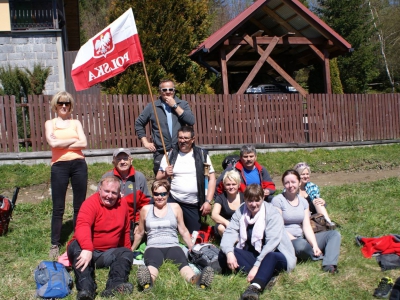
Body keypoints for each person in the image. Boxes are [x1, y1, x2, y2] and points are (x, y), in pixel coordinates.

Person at [132, 180, 214, 291]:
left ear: (168, 194)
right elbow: (140, 232)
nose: (160, 197)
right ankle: (147, 282)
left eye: (163, 194)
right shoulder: (146, 210)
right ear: (152, 194)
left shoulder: (175, 207)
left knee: (183, 264)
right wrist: (131, 249)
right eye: (156, 194)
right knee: (152, 264)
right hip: (153, 246)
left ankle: (196, 280)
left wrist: (191, 247)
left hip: (173, 245)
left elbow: (183, 230)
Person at [219, 184, 296, 300]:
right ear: (245, 199)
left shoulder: (272, 214)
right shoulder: (241, 211)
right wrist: (229, 253)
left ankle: (255, 287)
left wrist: (256, 266)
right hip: (255, 254)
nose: (253, 204)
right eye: (250, 201)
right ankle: (267, 275)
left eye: (257, 200)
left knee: (271, 256)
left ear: (263, 198)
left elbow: (272, 244)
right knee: (225, 251)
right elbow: (230, 232)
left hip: (277, 255)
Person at [67, 177, 134, 300]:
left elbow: (125, 230)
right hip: (86, 251)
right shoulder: (90, 203)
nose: (109, 196)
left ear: (119, 193)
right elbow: (82, 225)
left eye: (114, 193)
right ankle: (86, 290)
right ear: (99, 190)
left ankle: (115, 285)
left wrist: (127, 254)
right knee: (76, 246)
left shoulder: (123, 204)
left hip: (106, 254)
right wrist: (87, 248)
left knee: (126, 252)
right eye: (106, 191)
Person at [44, 91, 88, 260]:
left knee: (79, 205)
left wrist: (61, 144)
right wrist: (72, 141)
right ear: (55, 105)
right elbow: (52, 143)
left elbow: (83, 143)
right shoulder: (50, 123)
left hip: (79, 164)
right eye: (61, 103)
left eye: (67, 103)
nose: (64, 106)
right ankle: (55, 243)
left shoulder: (76, 122)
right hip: (59, 166)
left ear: (71, 106)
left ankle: (78, 238)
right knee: (58, 206)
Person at [271, 170, 341, 274]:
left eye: (293, 182)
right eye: (287, 183)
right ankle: (317, 256)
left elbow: (306, 226)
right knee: (300, 245)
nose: (290, 185)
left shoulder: (303, 201)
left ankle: (328, 264)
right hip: (287, 239)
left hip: (302, 237)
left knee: (334, 234)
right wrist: (295, 240)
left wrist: (315, 245)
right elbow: (279, 227)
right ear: (283, 184)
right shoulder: (278, 200)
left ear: (299, 183)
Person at [156, 125, 216, 233]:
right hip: (173, 200)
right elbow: (158, 177)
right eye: (180, 138)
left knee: (194, 233)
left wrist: (208, 201)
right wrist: (165, 173)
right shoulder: (169, 154)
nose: (182, 141)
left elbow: (212, 179)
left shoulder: (202, 155)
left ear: (192, 140)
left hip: (192, 203)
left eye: (186, 138)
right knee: (166, 229)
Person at [135, 79, 195, 175]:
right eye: (164, 90)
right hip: (161, 152)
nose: (168, 92)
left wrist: (174, 105)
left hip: (181, 150)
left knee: (180, 178)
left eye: (170, 89)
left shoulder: (182, 104)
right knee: (161, 182)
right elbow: (139, 123)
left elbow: (191, 120)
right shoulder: (152, 106)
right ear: (160, 91)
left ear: (174, 91)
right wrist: (145, 142)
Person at [101, 148, 151, 242]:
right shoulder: (106, 177)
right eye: (119, 159)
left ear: (131, 160)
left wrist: (140, 224)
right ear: (114, 162)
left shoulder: (139, 177)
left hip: (133, 222)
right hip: (111, 220)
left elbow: (146, 204)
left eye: (125, 158)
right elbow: (99, 202)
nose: (122, 162)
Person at [293, 162, 335, 227]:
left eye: (307, 174)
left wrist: (322, 201)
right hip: (299, 212)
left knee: (317, 201)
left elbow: (316, 198)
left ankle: (328, 222)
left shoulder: (312, 186)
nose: (306, 176)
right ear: (297, 175)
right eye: (303, 174)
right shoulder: (291, 187)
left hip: (312, 212)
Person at [211, 170, 244, 237]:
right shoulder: (220, 198)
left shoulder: (244, 197)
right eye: (228, 184)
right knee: (221, 227)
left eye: (234, 184)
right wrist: (228, 223)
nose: (231, 187)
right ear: (224, 185)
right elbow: (214, 215)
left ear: (239, 185)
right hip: (225, 225)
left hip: (241, 224)